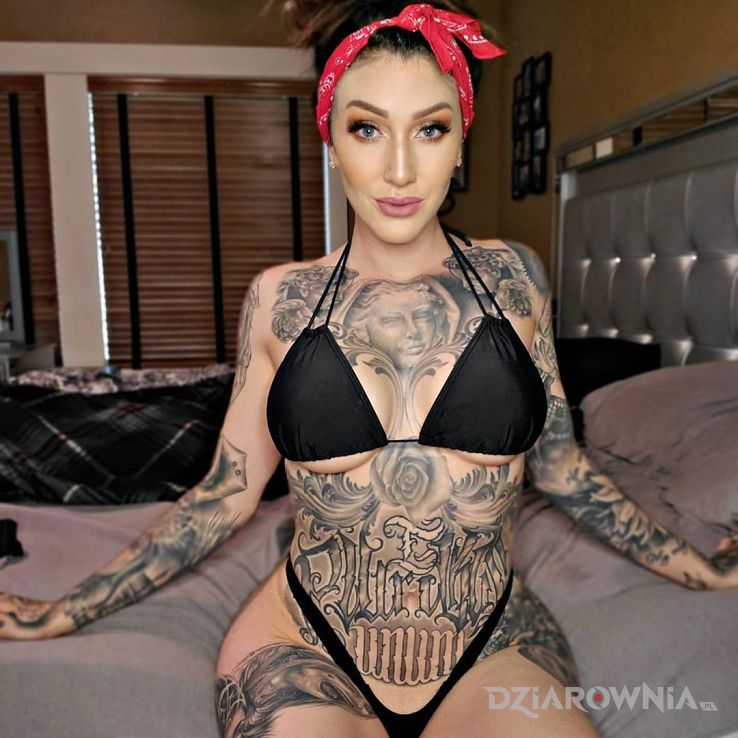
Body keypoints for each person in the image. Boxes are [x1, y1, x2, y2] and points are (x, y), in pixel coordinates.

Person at [2, 2, 738, 737]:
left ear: (460, 140)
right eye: (367, 129)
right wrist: (64, 611)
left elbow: (563, 468)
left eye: (430, 129)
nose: (399, 169)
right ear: (330, 138)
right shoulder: (280, 299)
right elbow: (224, 494)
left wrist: (701, 569)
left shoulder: (515, 279)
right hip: (306, 640)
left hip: (488, 642)